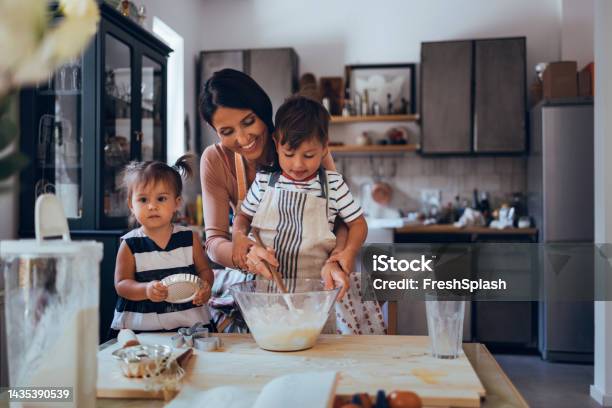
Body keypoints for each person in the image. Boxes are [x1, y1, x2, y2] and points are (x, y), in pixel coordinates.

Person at [199, 69, 350, 332]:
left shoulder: (301, 143)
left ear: (262, 110)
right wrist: (244, 255)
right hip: (261, 289)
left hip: (313, 285)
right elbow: (213, 241)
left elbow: (341, 220)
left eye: (248, 122)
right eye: (227, 131)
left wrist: (337, 260)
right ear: (215, 131)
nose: (243, 139)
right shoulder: (215, 160)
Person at [233, 95, 386, 334]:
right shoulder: (265, 182)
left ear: (325, 147)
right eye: (289, 154)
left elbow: (357, 223)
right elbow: (243, 217)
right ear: (276, 143)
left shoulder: (332, 184)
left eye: (309, 155)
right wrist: (239, 237)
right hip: (269, 295)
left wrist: (348, 252)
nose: (297, 165)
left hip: (318, 296)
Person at [111, 155, 214, 332]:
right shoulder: (130, 244)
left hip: (189, 323)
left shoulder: (189, 238)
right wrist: (146, 290)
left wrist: (205, 287)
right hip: (142, 327)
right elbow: (121, 284)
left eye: (161, 199)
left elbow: (205, 271)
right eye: (143, 200)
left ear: (176, 203)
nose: (152, 206)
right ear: (131, 205)